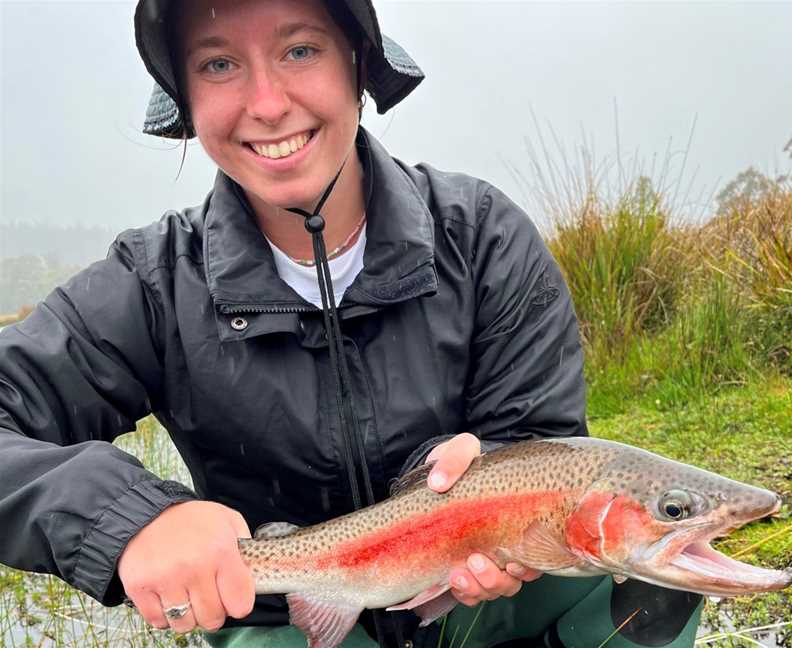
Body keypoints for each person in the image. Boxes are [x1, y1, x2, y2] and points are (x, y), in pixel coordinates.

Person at [0, 0, 703, 646]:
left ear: (357, 68)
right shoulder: (151, 285)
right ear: (186, 100)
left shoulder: (482, 238)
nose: (268, 104)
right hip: (281, 611)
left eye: (301, 50)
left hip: (477, 599)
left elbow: (546, 447)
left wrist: (484, 480)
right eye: (218, 64)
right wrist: (131, 517)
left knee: (660, 573)